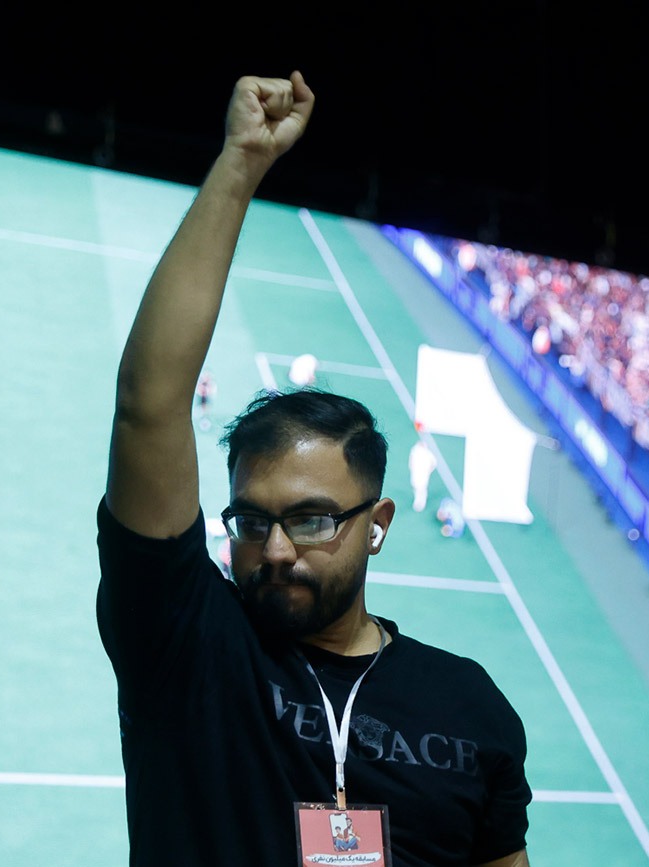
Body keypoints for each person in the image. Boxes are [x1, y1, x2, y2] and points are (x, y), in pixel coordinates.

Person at [97, 72, 530, 867]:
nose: (275, 548)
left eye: (311, 519)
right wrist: (240, 164)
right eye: (251, 520)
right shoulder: (186, 639)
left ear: (378, 523)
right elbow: (148, 403)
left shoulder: (470, 703)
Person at [407, 423, 437, 512]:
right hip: (415, 471)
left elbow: (434, 463)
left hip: (423, 473)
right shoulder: (415, 450)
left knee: (422, 487)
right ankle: (417, 500)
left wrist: (429, 471)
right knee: (415, 485)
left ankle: (421, 502)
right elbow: (411, 459)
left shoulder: (428, 454)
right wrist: (411, 467)